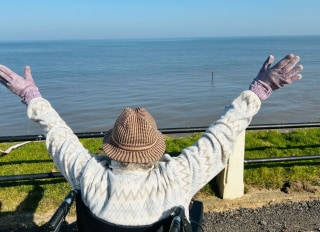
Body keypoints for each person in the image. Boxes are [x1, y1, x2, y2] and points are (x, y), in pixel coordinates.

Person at [0, 54, 303, 227]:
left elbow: (58, 134)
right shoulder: (177, 178)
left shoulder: (88, 175)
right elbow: (222, 134)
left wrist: (29, 95)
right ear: (155, 149)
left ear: (111, 148)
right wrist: (260, 88)